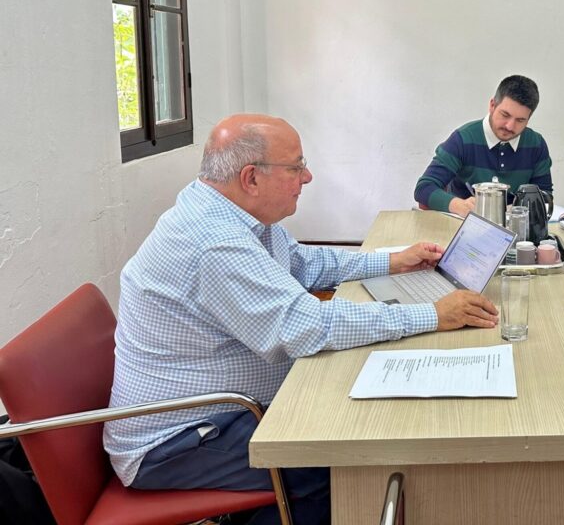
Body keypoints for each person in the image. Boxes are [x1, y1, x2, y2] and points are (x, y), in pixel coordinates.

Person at [104, 114, 499, 525]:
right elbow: (307, 326)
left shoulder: (236, 213)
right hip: (176, 442)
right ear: (251, 178)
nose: (307, 177)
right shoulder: (213, 244)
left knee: (349, 416)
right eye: (296, 167)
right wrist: (432, 314)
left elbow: (303, 262)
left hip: (227, 410)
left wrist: (392, 261)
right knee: (339, 459)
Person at [414, 75, 553, 217]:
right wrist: (459, 205)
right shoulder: (463, 139)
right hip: (464, 226)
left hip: (517, 230)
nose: (510, 126)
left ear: (528, 120)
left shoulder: (536, 144)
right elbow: (424, 188)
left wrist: (517, 209)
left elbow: (545, 196)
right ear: (492, 105)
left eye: (520, 120)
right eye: (505, 115)